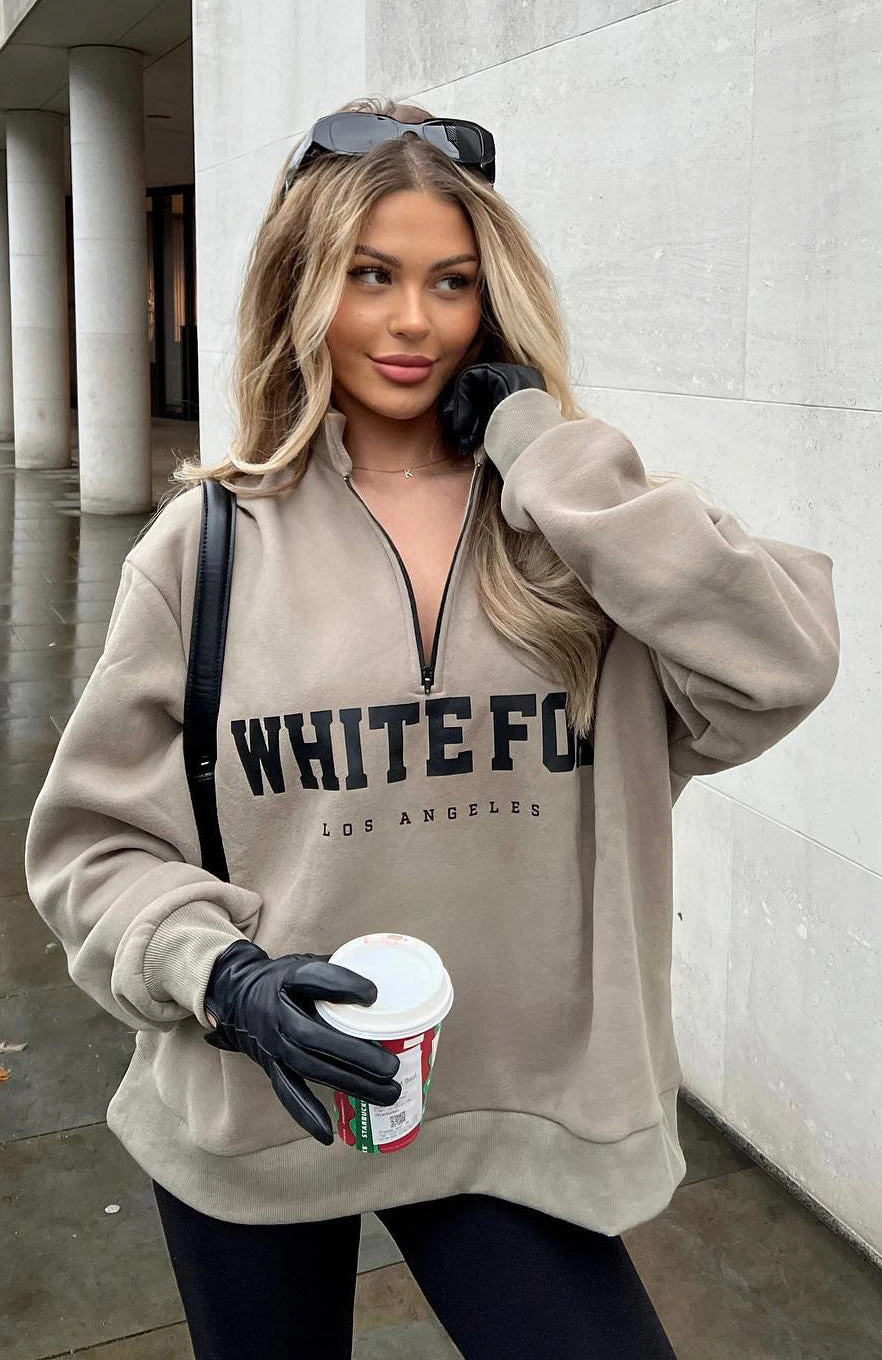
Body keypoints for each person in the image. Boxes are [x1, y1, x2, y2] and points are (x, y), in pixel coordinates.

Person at [24, 96, 840, 1359]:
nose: (414, 319)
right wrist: (221, 976)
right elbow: (91, 848)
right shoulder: (207, 545)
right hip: (260, 1098)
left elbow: (780, 662)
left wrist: (545, 451)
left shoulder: (575, 537)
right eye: (372, 275)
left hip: (512, 1113)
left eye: (452, 281)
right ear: (305, 284)